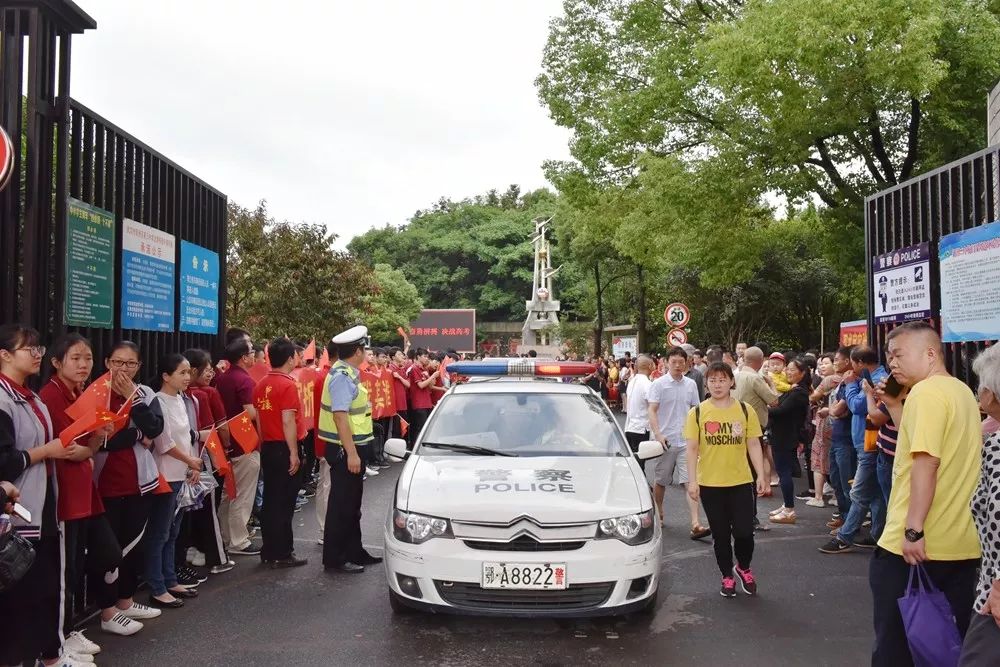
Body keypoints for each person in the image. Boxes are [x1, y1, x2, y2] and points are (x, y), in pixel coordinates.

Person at [870, 322, 981, 665]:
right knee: (944, 647)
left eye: (899, 354)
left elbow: (926, 462)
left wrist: (913, 528)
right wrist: (893, 404)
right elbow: (916, 441)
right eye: (889, 356)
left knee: (896, 649)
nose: (892, 363)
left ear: (931, 353)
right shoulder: (960, 391)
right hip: (960, 545)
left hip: (914, 549)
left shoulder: (926, 393)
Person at [0, 324, 83, 666]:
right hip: (17, 513)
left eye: (38, 349)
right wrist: (46, 451)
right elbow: (4, 461)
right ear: (4, 355)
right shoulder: (4, 399)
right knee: (22, 595)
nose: (37, 355)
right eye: (28, 349)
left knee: (45, 589)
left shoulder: (29, 396)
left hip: (42, 505)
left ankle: (49, 657)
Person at [38, 334, 122, 655]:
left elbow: (83, 449)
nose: (84, 364)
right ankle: (62, 636)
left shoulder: (80, 392)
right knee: (66, 568)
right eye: (76, 358)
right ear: (57, 362)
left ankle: (77, 625)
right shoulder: (51, 396)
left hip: (84, 489)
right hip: (65, 492)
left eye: (87, 358)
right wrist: (89, 446)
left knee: (103, 553)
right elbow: (67, 448)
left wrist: (99, 436)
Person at [91, 341, 164, 633]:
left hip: (140, 483)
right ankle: (107, 611)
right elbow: (98, 440)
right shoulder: (95, 393)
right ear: (107, 362)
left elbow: (156, 428)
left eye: (130, 364)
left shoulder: (144, 394)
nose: (123, 369)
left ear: (139, 367)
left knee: (134, 545)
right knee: (110, 550)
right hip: (104, 484)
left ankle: (126, 600)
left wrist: (132, 400)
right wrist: (135, 434)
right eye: (118, 362)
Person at [685, 362, 767, 598]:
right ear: (706, 384)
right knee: (720, 535)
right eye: (712, 380)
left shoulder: (745, 410)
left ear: (732, 382)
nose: (717, 384)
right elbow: (691, 449)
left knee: (744, 532)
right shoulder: (698, 412)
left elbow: (753, 444)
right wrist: (692, 481)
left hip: (741, 481)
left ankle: (743, 566)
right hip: (710, 484)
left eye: (722, 380)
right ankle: (727, 576)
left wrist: (760, 474)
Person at [319, 326, 382, 573]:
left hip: (353, 447)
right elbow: (340, 417)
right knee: (342, 506)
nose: (366, 353)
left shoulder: (347, 373)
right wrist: (352, 453)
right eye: (364, 349)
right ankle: (336, 558)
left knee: (352, 505)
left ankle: (355, 551)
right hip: (346, 449)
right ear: (357, 351)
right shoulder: (342, 377)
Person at [146, 353, 205, 609]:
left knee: (173, 532)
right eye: (181, 372)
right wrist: (189, 461)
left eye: (188, 372)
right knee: (159, 533)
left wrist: (192, 462)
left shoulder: (181, 399)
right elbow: (164, 443)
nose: (187, 377)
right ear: (165, 376)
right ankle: (156, 586)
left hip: (181, 474)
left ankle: (170, 580)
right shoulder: (158, 401)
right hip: (164, 475)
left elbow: (187, 437)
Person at [820, 346, 888, 553]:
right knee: (875, 493)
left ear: (859, 362)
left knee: (858, 491)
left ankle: (845, 536)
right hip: (865, 442)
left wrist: (849, 386)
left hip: (871, 443)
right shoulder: (869, 377)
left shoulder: (878, 379)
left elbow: (858, 406)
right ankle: (878, 535)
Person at [959, 344, 1000, 664]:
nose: (978, 393)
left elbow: (998, 516)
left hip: (993, 596)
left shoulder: (996, 446)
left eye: (981, 385)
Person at [254, 338, 307, 569]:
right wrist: (293, 453)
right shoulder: (287, 384)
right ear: (289, 359)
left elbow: (259, 421)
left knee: (271, 502)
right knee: (284, 502)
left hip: (268, 446)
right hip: (284, 447)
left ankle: (269, 550)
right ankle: (282, 552)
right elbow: (288, 421)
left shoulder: (260, 384)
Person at [647, 347, 706, 538]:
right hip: (666, 440)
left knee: (690, 481)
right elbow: (652, 410)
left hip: (686, 441)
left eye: (682, 362)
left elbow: (696, 410)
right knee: (661, 481)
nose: (678, 365)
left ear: (687, 362)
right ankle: (659, 512)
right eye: (674, 362)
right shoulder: (659, 384)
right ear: (666, 362)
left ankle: (696, 522)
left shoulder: (690, 384)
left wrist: (697, 435)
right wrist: (658, 434)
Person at [215, 338, 262, 557]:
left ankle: (225, 536)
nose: (254, 355)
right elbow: (251, 412)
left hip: (226, 440)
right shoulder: (245, 380)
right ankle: (238, 540)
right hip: (244, 440)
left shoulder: (223, 378)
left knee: (229, 492)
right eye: (252, 352)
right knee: (242, 493)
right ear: (244, 357)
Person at [733, 346, 779, 525]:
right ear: (760, 361)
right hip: (753, 430)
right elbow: (774, 401)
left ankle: (737, 514)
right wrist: (771, 384)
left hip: (734, 429)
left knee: (737, 471)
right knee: (751, 473)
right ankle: (750, 516)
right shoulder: (755, 378)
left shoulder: (734, 376)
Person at [766, 358, 811, 525]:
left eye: (793, 370)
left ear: (803, 373)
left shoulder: (799, 393)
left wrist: (765, 408)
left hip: (786, 436)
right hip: (782, 435)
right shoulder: (794, 390)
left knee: (784, 472)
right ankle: (786, 504)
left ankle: (789, 510)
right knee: (782, 470)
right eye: (788, 369)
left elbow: (780, 410)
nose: (789, 372)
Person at [827, 346, 855, 529]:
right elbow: (836, 410)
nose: (834, 363)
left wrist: (832, 409)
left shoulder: (852, 382)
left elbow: (838, 410)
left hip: (846, 440)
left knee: (847, 484)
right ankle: (844, 516)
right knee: (836, 480)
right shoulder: (841, 383)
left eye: (837, 360)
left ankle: (851, 523)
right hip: (836, 438)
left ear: (848, 362)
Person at [806, 354, 839, 509]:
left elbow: (813, 397)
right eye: (820, 364)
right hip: (840, 424)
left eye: (826, 363)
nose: (822, 366)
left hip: (826, 421)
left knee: (819, 456)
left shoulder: (829, 380)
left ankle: (818, 496)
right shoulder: (848, 378)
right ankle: (836, 494)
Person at [623, 355, 654, 471]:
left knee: (635, 463)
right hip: (641, 428)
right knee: (639, 464)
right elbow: (653, 406)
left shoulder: (632, 381)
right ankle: (643, 487)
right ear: (650, 366)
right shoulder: (648, 384)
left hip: (629, 426)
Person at [406, 348, 436, 447]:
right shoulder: (414, 368)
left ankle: (420, 446)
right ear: (418, 357)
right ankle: (415, 447)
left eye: (427, 357)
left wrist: (432, 376)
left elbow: (431, 385)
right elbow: (421, 385)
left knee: (425, 427)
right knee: (419, 428)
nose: (427, 359)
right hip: (419, 403)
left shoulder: (425, 369)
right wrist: (432, 376)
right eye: (425, 356)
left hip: (427, 402)